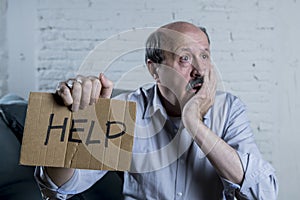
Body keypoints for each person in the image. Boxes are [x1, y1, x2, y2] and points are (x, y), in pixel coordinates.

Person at [35, 21, 278, 199]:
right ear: (155, 70)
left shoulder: (230, 110)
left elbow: (263, 193)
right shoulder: (128, 110)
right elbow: (58, 189)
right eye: (184, 58)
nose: (199, 70)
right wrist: (71, 120)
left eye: (204, 56)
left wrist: (194, 122)